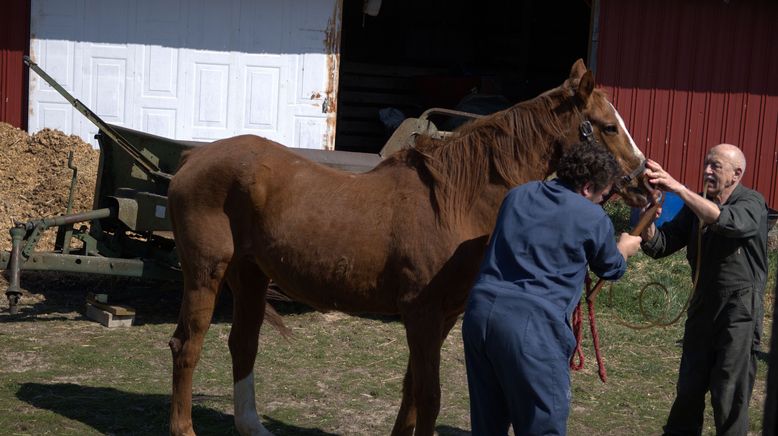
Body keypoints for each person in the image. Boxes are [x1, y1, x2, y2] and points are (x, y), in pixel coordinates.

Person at [461, 142, 643, 436]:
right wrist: (624, 247)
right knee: (542, 424)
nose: (602, 201)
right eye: (603, 194)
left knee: (488, 422)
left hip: (481, 313)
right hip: (532, 326)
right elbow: (610, 267)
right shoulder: (591, 216)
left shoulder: (518, 195)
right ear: (587, 188)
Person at [639, 143, 769, 436]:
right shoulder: (695, 205)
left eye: (716, 166)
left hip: (739, 309)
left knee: (729, 391)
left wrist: (679, 188)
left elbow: (725, 221)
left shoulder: (752, 203)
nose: (707, 171)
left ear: (736, 174)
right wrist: (648, 223)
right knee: (689, 387)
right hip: (702, 306)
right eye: (707, 164)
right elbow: (662, 244)